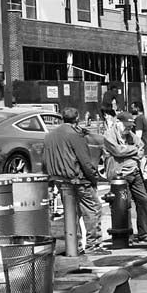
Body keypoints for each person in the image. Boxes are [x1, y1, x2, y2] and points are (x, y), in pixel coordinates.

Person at [44, 106, 107, 255]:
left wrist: (50, 180)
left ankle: (75, 245)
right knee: (93, 209)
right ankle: (93, 245)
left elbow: (45, 160)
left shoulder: (49, 135)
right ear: (77, 118)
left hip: (59, 179)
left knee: (72, 212)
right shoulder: (75, 135)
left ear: (62, 118)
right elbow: (85, 161)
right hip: (77, 179)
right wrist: (93, 177)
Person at [102, 110, 147, 243]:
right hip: (120, 174)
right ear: (118, 123)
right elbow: (117, 151)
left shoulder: (130, 134)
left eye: (130, 126)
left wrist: (129, 151)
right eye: (126, 126)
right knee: (124, 204)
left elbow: (141, 146)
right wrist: (133, 150)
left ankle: (144, 233)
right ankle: (127, 234)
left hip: (135, 171)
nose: (129, 129)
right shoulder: (109, 135)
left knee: (143, 200)